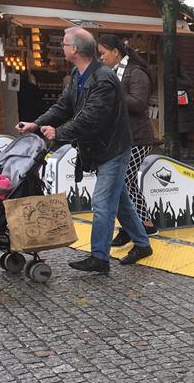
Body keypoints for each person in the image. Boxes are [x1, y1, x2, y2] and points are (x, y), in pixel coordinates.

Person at [17, 27, 152, 273]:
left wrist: (60, 133)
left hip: (113, 149)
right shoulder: (78, 74)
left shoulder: (104, 79)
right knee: (119, 200)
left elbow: (92, 118)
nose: (63, 48)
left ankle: (99, 258)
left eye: (65, 44)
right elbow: (64, 106)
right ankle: (143, 244)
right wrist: (37, 123)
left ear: (75, 49)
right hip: (100, 148)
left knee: (102, 203)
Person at [96, 34, 158, 240]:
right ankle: (142, 224)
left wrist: (112, 93)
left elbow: (139, 103)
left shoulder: (135, 73)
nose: (101, 58)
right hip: (122, 137)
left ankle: (137, 226)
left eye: (103, 53)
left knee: (123, 180)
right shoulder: (112, 73)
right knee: (126, 182)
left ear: (116, 52)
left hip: (138, 137)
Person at [177, 63, 194, 160]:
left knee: (181, 132)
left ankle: (183, 151)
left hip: (179, 109)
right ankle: (185, 151)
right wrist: (181, 73)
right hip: (181, 109)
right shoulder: (179, 78)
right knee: (182, 132)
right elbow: (189, 83)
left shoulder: (174, 77)